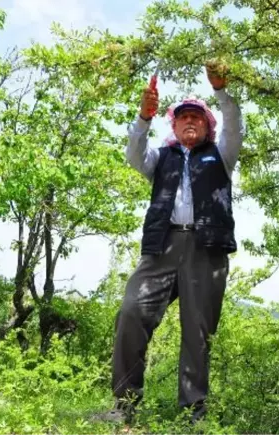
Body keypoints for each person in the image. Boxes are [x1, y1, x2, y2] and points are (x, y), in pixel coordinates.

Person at [96, 60, 244, 424]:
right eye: (183, 117)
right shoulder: (161, 156)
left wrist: (221, 90)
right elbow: (133, 155)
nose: (190, 121)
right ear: (174, 125)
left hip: (206, 249)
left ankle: (193, 413)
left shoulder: (221, 155)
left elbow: (234, 126)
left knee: (197, 330)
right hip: (161, 247)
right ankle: (124, 406)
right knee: (131, 312)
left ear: (207, 125)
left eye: (197, 117)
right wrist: (143, 117)